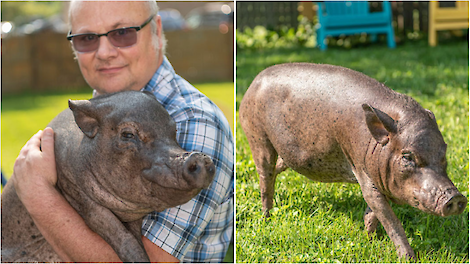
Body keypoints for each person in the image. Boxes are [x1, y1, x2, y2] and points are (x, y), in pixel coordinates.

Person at [10, 1, 234, 262]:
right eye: (87, 38)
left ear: (156, 30)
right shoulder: (106, 116)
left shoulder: (193, 121)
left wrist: (39, 196)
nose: (104, 52)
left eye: (122, 33)